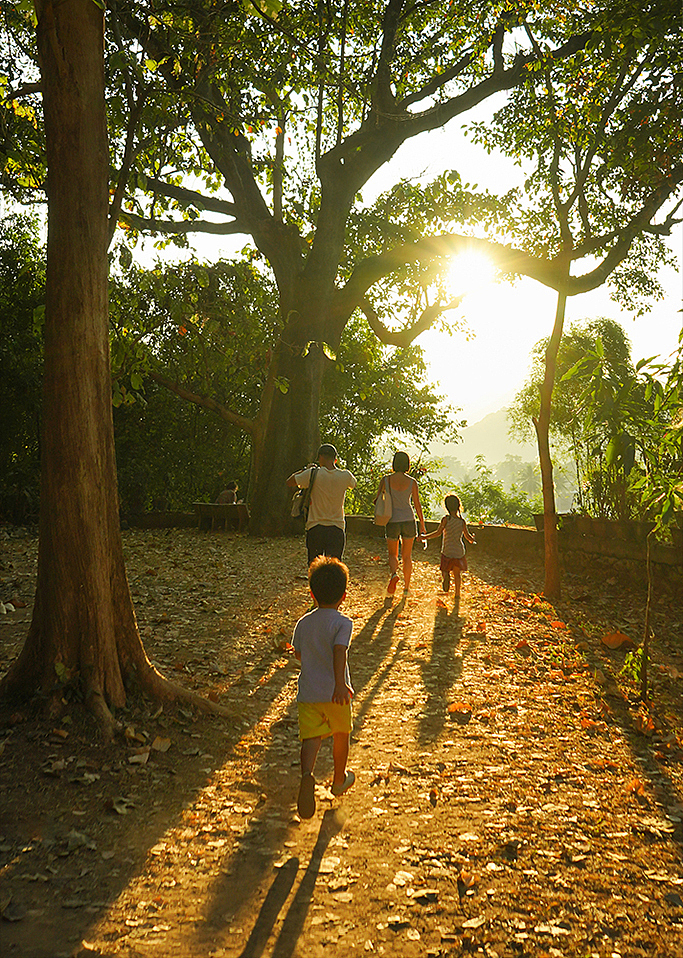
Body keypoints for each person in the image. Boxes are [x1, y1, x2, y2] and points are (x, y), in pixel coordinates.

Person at [292, 556, 355, 819]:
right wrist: (340, 684)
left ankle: (307, 774)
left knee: (311, 738)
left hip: (308, 693)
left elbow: (298, 654)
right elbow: (339, 651)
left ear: (312, 594)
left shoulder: (303, 623)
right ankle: (339, 779)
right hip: (335, 693)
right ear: (343, 596)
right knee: (341, 733)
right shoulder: (343, 623)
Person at [286, 443, 357, 565]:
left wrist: (305, 469)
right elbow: (353, 484)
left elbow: (290, 482)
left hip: (315, 527)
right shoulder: (345, 476)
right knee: (334, 568)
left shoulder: (312, 473)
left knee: (314, 567)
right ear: (335, 459)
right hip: (337, 527)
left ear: (320, 458)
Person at [375, 450, 426, 595]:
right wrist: (422, 525)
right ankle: (406, 588)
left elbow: (377, 499)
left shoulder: (386, 480)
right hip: (409, 520)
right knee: (407, 556)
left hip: (392, 520)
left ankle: (393, 575)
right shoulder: (412, 482)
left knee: (393, 554)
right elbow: (417, 505)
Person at [421, 494, 475, 597]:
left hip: (447, 550)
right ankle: (457, 594)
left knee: (444, 569)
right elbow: (468, 537)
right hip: (459, 551)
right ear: (458, 506)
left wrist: (425, 537)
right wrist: (472, 538)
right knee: (457, 574)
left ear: (446, 507)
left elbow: (438, 533)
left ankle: (446, 576)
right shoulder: (462, 522)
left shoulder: (446, 520)